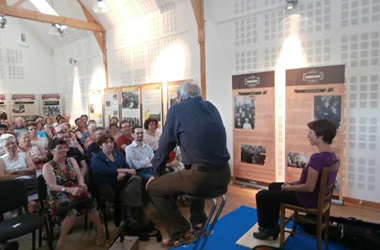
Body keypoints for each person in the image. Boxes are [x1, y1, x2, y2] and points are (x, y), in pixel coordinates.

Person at [146, 81, 231, 248]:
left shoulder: (177, 109)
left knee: (154, 188)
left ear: (179, 98)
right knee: (190, 171)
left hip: (202, 179)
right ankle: (199, 222)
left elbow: (165, 143)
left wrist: (155, 172)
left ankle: (180, 232)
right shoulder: (211, 107)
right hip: (224, 174)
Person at [252, 119, 339, 240]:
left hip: (307, 198)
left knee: (261, 195)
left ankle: (268, 229)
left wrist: (290, 187)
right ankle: (272, 225)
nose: (307, 136)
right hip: (316, 195)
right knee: (273, 186)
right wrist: (292, 184)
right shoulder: (332, 156)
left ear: (320, 136)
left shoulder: (317, 158)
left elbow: (309, 187)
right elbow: (311, 182)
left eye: (310, 133)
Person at [42, 138, 105, 248]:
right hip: (57, 194)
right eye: (59, 148)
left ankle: (100, 231)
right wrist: (69, 190)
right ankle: (62, 240)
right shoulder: (48, 166)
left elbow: (80, 176)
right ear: (52, 151)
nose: (63, 150)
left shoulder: (71, 160)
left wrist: (82, 184)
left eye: (65, 147)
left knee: (88, 201)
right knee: (73, 208)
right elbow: (52, 186)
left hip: (75, 190)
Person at [91, 134, 146, 227]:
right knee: (136, 188)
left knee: (136, 180)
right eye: (106, 142)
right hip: (106, 184)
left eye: (111, 142)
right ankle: (134, 218)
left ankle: (127, 217)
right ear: (100, 146)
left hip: (122, 181)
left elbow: (126, 166)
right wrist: (123, 171)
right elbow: (105, 171)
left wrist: (123, 173)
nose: (110, 144)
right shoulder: (97, 157)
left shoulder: (118, 154)